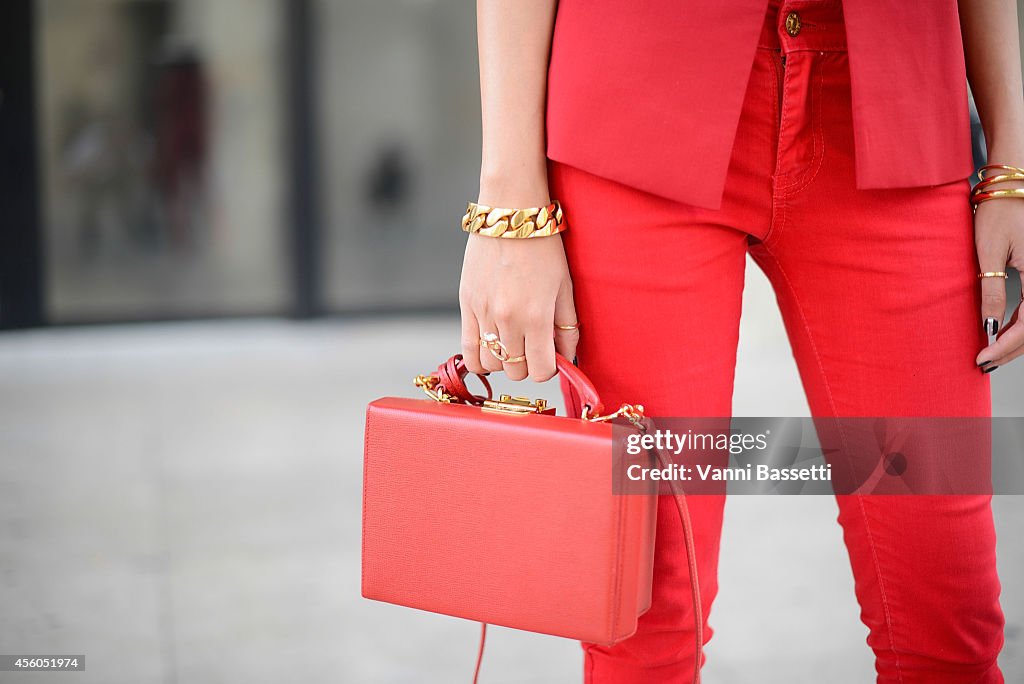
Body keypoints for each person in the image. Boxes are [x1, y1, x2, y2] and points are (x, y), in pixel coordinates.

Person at [459, 0, 1017, 681]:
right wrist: (507, 202)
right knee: (646, 623)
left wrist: (1012, 169)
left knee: (949, 623)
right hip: (639, 102)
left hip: (895, 105)